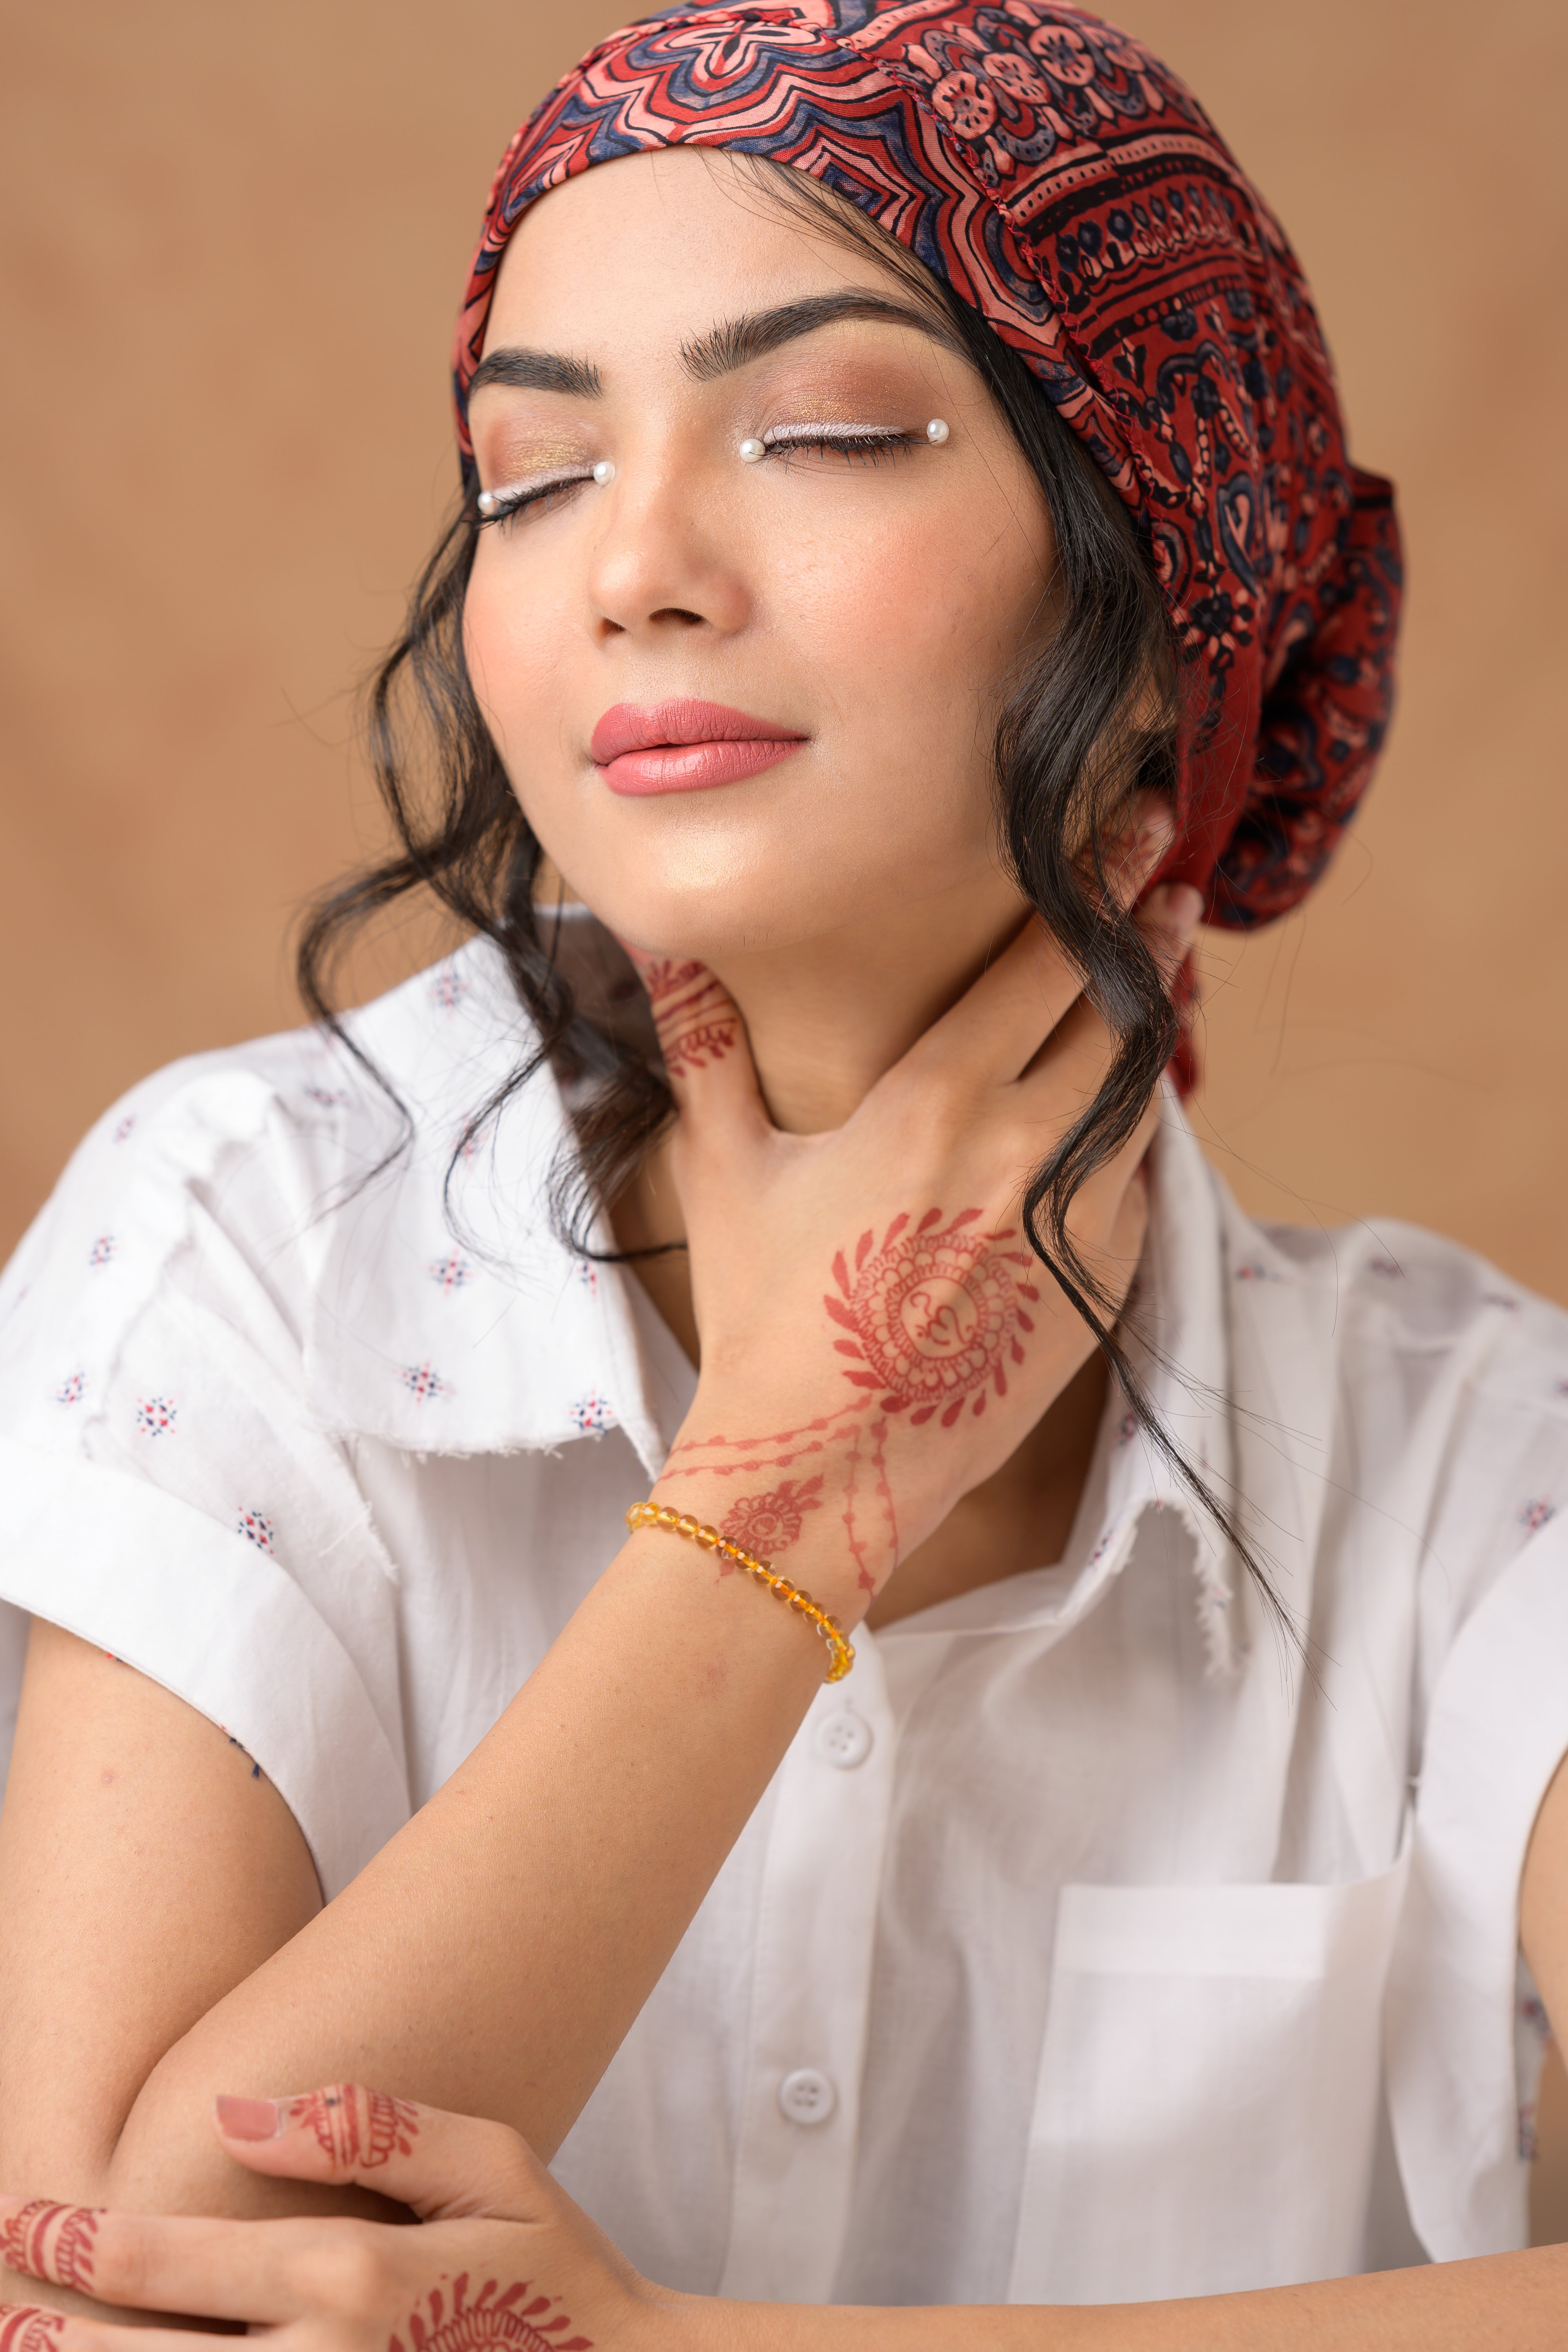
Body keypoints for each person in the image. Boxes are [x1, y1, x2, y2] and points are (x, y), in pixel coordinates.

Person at [1, 3, 1565, 2343]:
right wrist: (787, 1500)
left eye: (827, 429)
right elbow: (122, 2309)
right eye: (532, 477)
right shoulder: (250, 1231)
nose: (635, 562)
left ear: (1170, 586)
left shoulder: (1477, 1462)